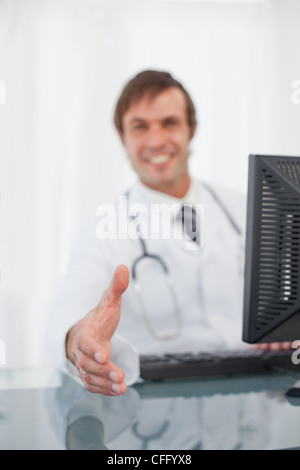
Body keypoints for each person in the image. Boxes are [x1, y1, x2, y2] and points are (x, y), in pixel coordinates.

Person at [47, 70, 291, 397]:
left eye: (170, 122)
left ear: (192, 129)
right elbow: (68, 314)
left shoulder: (248, 208)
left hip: (253, 403)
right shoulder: (100, 232)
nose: (156, 140)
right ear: (122, 137)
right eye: (140, 127)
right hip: (157, 405)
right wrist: (77, 338)